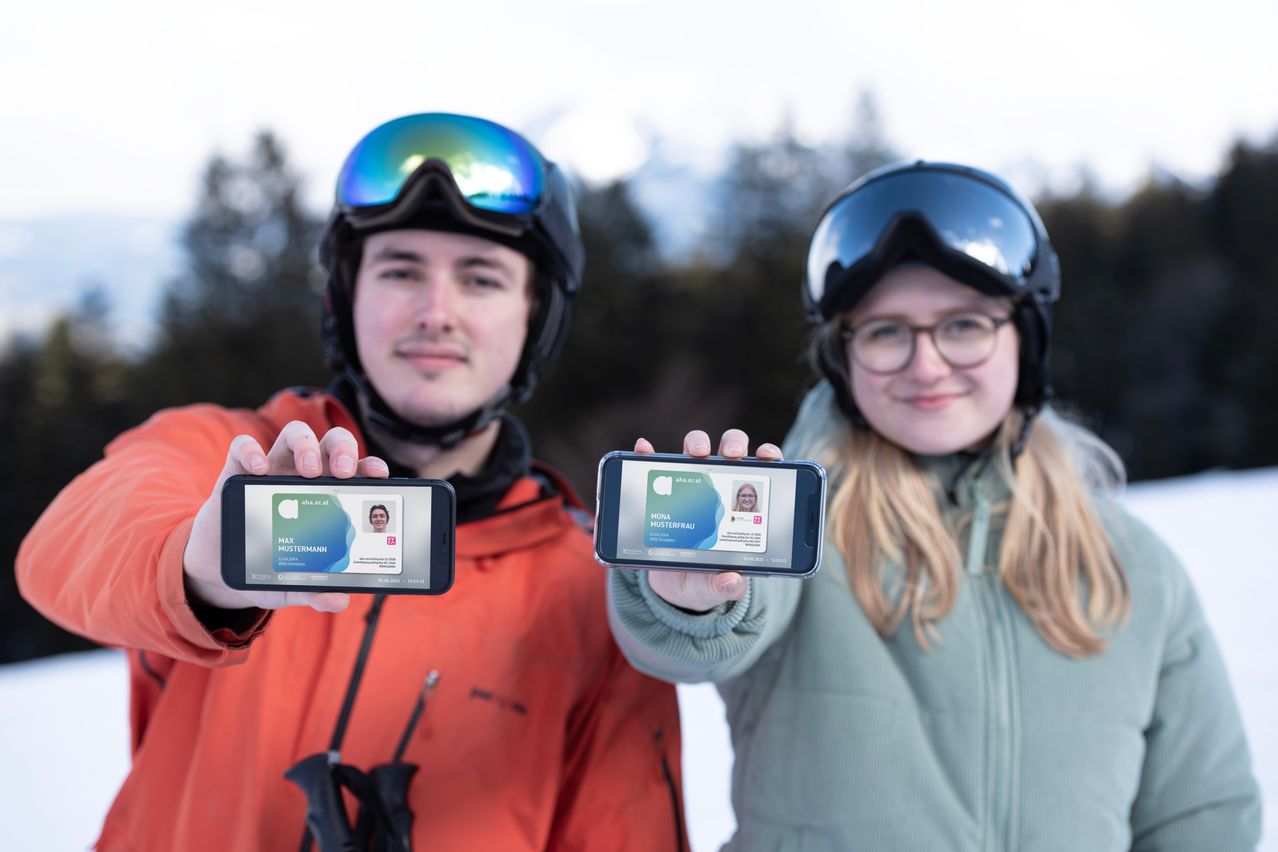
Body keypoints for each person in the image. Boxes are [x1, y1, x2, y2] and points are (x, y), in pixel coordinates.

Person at [18, 112, 687, 852]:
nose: (436, 313)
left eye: (481, 278)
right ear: (346, 295)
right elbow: (61, 552)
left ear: (536, 316)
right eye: (401, 271)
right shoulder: (226, 456)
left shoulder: (591, 595)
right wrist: (203, 568)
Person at [607, 162, 1262, 850]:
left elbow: (1203, 816)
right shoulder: (803, 528)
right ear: (843, 358)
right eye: (887, 332)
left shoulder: (1135, 566)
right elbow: (710, 633)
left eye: (964, 325)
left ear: (1025, 338)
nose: (926, 366)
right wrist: (690, 603)